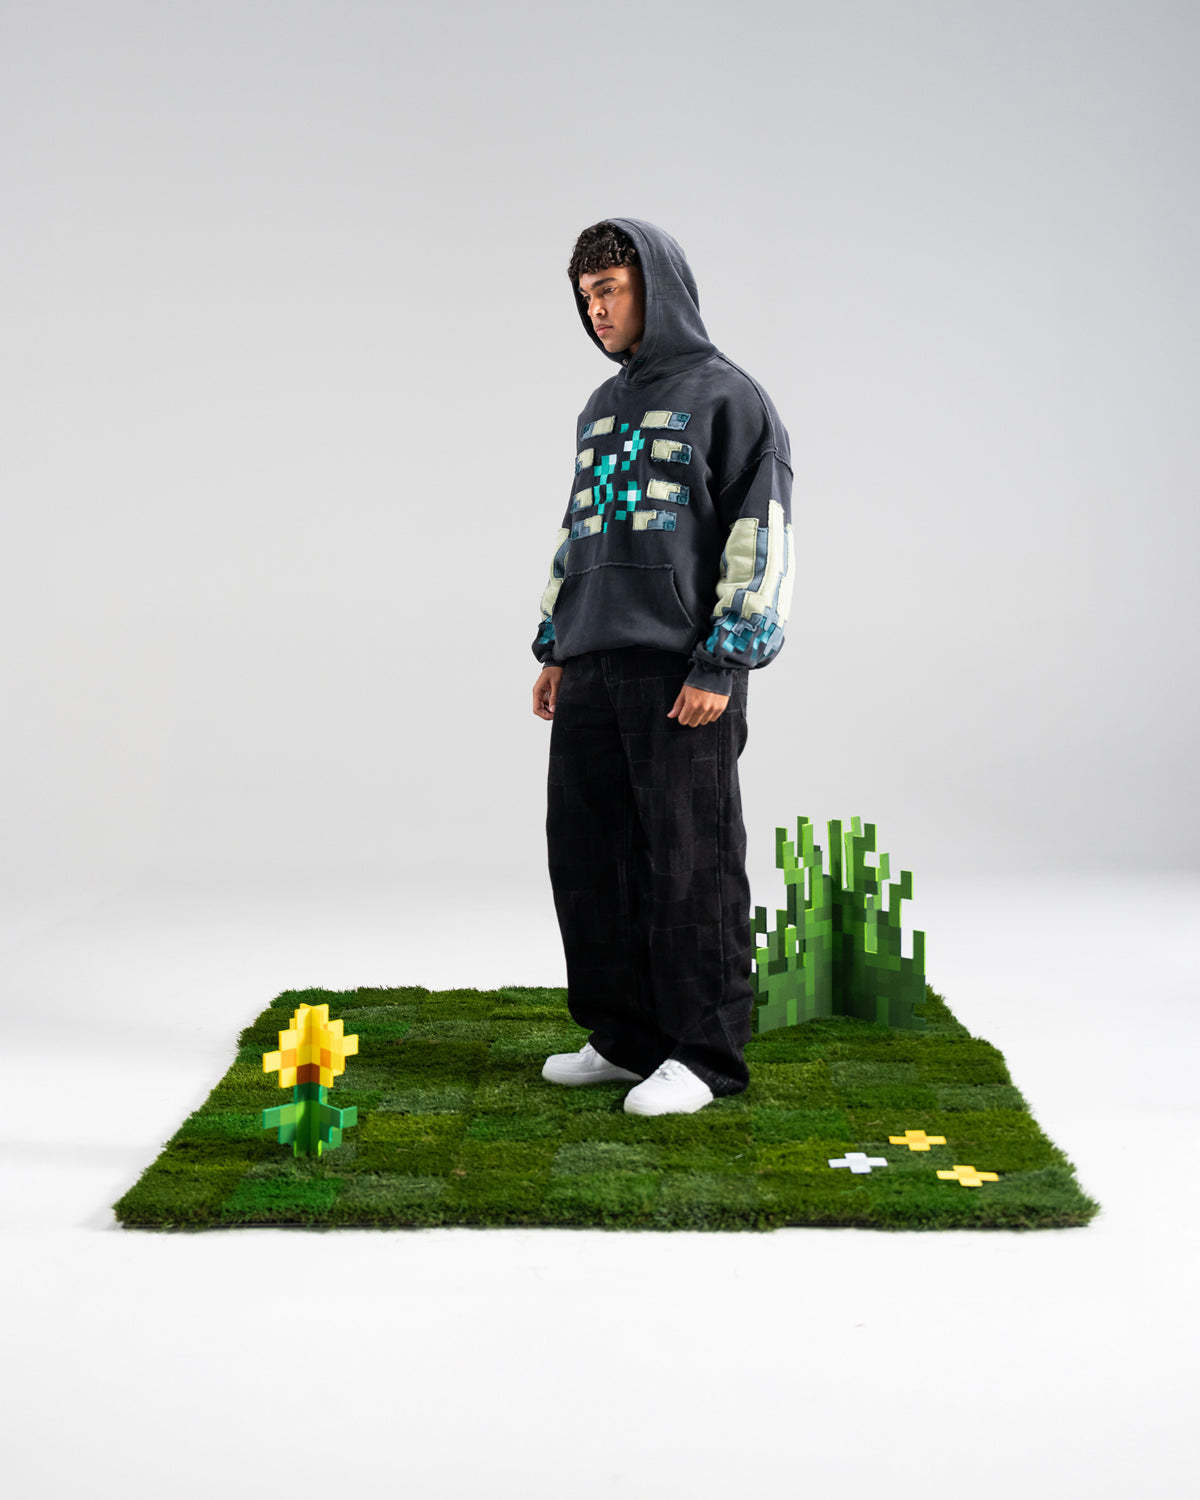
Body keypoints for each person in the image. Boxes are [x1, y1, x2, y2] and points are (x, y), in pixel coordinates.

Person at [530, 218, 794, 1117]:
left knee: (692, 860)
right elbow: (581, 530)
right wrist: (555, 643)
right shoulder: (599, 406)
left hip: (682, 669)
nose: (596, 311)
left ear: (659, 288)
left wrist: (725, 663)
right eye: (586, 296)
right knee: (590, 856)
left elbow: (760, 541)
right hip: (592, 664)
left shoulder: (730, 398)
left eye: (610, 290)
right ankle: (626, 1038)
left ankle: (706, 1055)